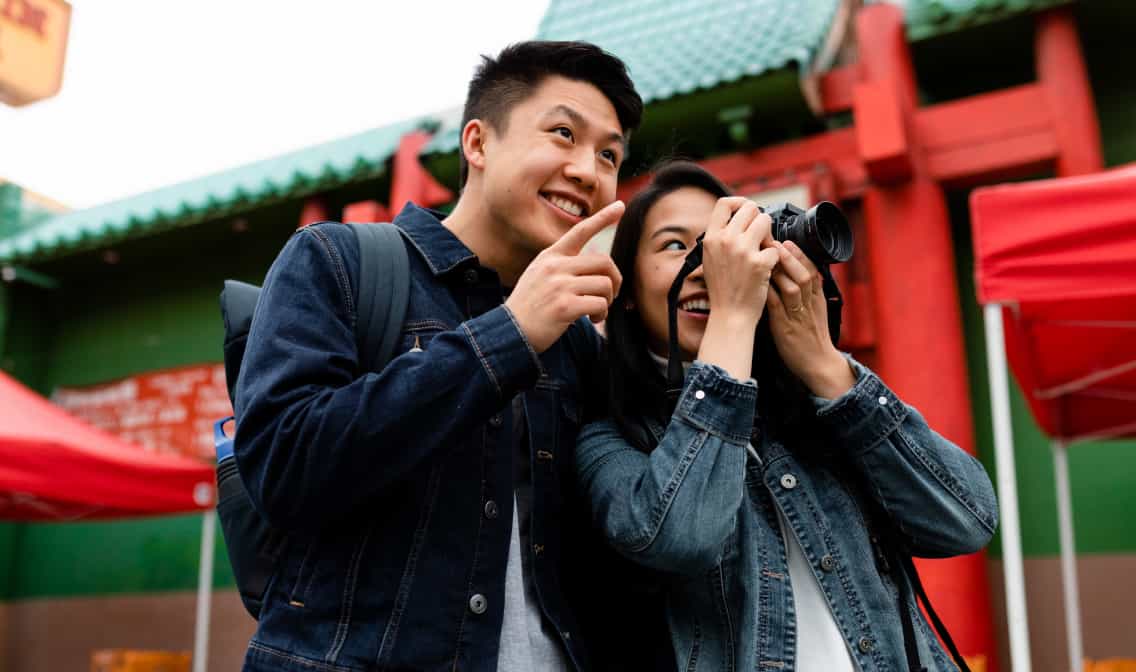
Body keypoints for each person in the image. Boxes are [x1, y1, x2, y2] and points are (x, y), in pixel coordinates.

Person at [234, 41, 642, 671]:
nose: (590, 171)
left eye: (609, 155)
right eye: (564, 133)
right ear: (477, 144)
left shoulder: (579, 340)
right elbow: (284, 469)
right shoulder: (335, 261)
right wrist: (511, 333)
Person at [576, 161, 998, 672]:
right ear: (625, 296)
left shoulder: (818, 413)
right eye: (676, 245)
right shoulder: (609, 439)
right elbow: (682, 536)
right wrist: (731, 316)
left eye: (724, 242)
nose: (712, 263)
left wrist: (824, 365)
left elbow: (966, 522)